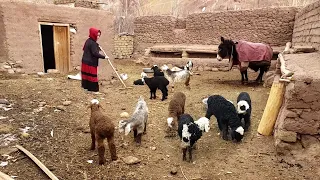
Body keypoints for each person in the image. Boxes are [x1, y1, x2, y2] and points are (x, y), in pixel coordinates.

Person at [81, 27, 108, 93]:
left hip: (85, 62)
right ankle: (94, 90)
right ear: (93, 34)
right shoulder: (93, 43)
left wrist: (98, 48)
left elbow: (89, 49)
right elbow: (95, 53)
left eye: (99, 35)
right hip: (90, 63)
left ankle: (87, 88)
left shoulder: (89, 40)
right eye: (97, 35)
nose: (98, 37)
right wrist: (104, 57)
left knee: (87, 76)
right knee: (92, 76)